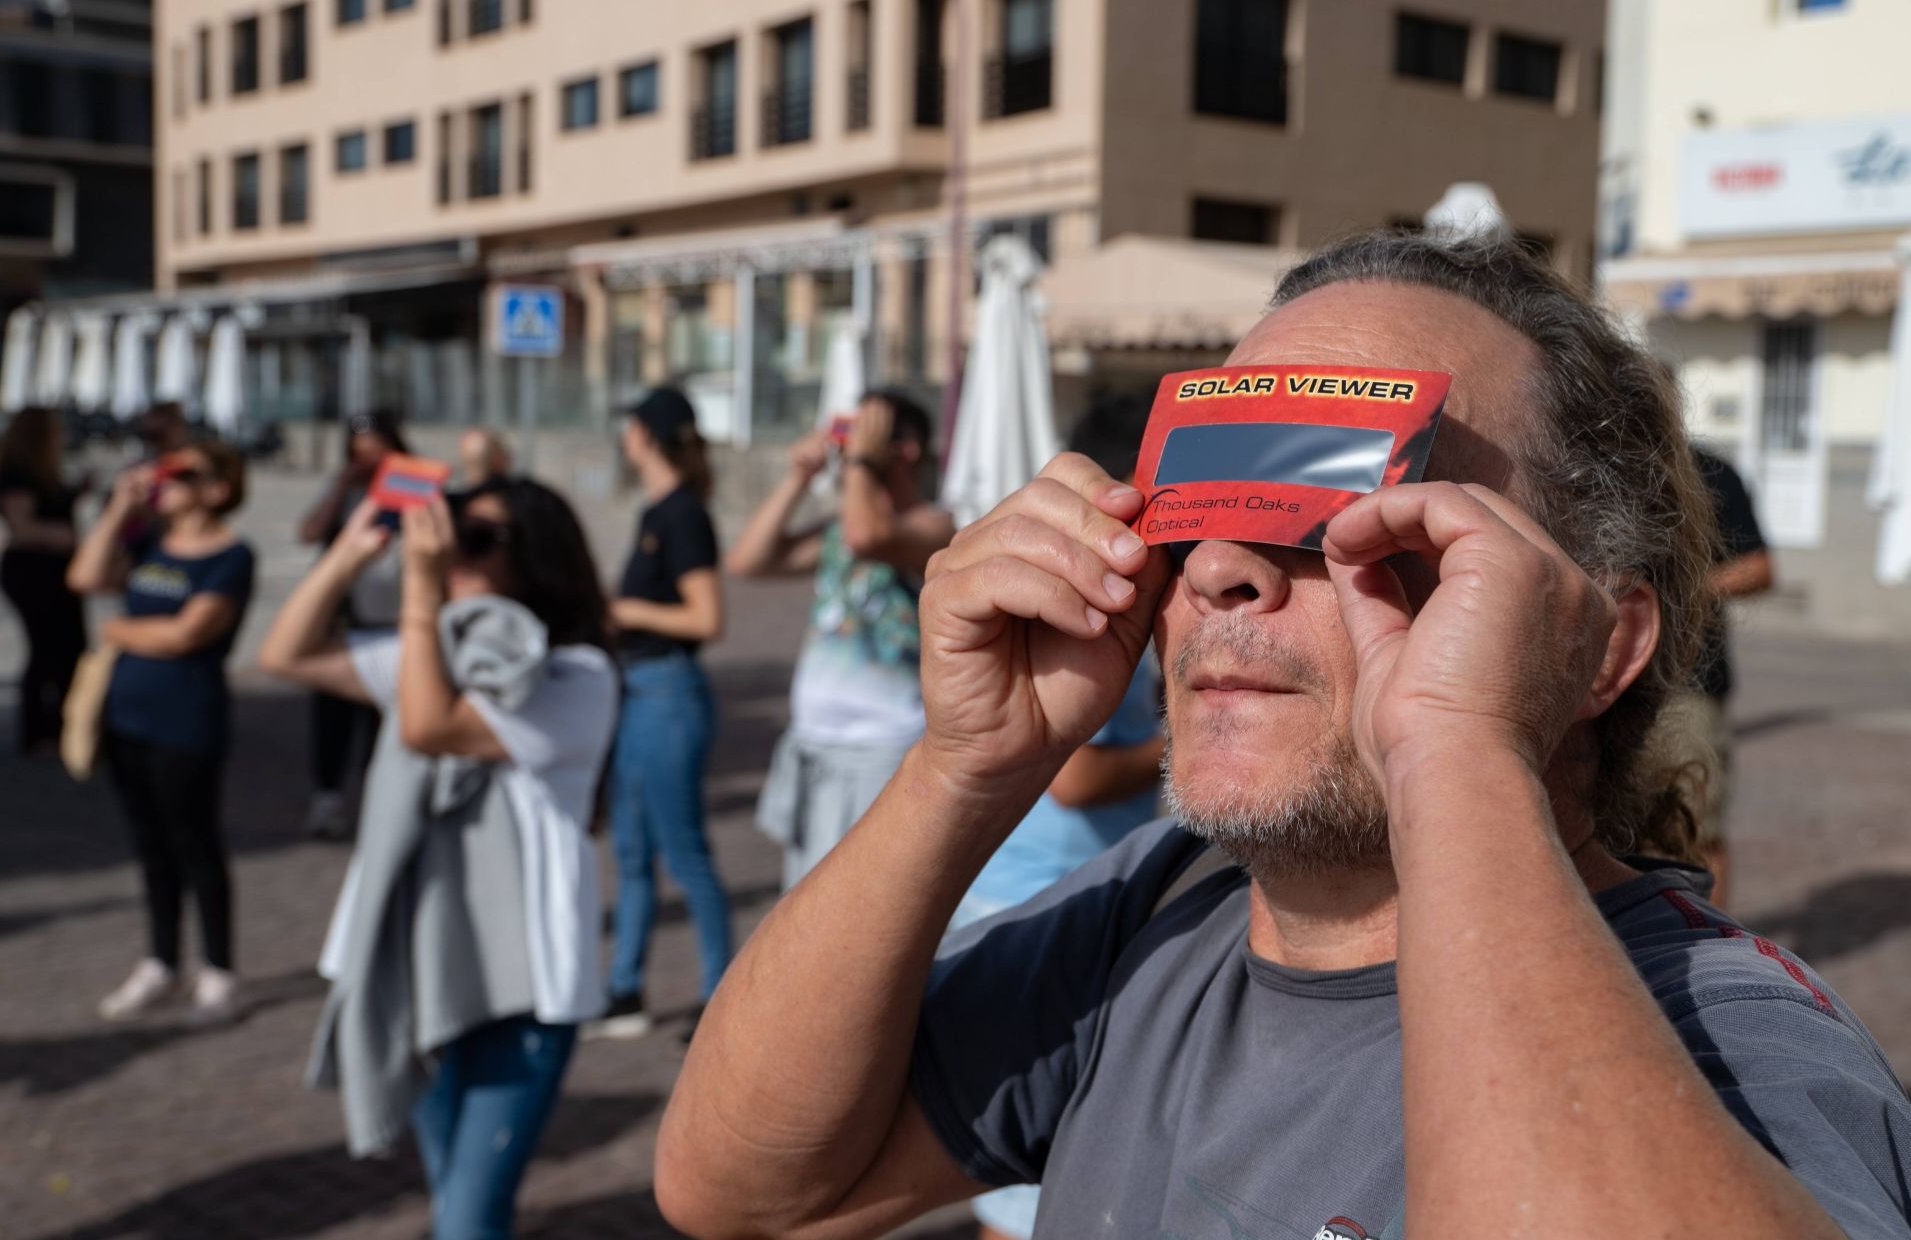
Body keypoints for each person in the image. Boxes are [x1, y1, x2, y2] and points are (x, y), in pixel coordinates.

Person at [656, 232, 1911, 1240]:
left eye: (1356, 512)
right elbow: (746, 1191)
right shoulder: (1160, 912)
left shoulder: (1736, 1046)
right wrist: (962, 770)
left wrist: (1457, 750)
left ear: (1600, 643)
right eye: (1201, 500)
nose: (1217, 570)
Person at [257, 476, 618, 1240]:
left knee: (468, 1217)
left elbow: (428, 725)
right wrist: (351, 554)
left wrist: (420, 591)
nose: (453, 551)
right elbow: (284, 653)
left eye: (478, 540)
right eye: (451, 532)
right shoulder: (437, 652)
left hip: (527, 981)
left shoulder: (577, 675)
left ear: (537, 560)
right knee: (451, 1192)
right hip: (423, 955)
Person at [946, 395, 1164, 1240]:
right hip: (1034, 908)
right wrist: (1192, 745)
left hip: (1040, 897)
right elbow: (1073, 782)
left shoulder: (1083, 577)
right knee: (1025, 1184)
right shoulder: (1092, 591)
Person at [726, 389, 957, 889]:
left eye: (864, 434)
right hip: (815, 748)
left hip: (883, 753)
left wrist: (858, 462)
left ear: (907, 448)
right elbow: (748, 560)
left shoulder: (937, 525)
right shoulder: (840, 527)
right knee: (808, 904)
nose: (846, 449)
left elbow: (869, 537)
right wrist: (798, 478)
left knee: (865, 901)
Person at [67, 443, 256, 1025]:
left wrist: (123, 627)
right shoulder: (147, 541)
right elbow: (86, 576)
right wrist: (121, 508)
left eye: (186, 474)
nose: (169, 483)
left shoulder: (231, 555)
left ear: (218, 489)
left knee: (196, 843)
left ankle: (220, 972)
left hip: (186, 719)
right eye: (166, 475)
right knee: (150, 845)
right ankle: (160, 961)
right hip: (125, 715)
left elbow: (188, 635)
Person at [594, 387, 732, 1040]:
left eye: (630, 427)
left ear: (646, 435)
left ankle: (718, 994)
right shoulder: (656, 509)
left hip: (669, 696)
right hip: (637, 692)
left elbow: (706, 619)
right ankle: (624, 990)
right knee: (630, 850)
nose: (624, 439)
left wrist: (625, 612)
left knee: (686, 855)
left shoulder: (682, 515)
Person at [1660, 445, 1773, 908]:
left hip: (1687, 688)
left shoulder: (1708, 470)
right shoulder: (1586, 455)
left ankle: (1712, 953)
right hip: (1596, 684)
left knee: (1696, 835)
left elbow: (1760, 568)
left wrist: (1684, 589)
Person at [294, 411, 411, 839]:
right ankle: (328, 798)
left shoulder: (409, 487)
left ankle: (380, 803)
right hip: (342, 624)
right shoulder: (344, 494)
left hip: (392, 621)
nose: (366, 462)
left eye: (375, 453)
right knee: (332, 719)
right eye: (358, 455)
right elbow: (308, 532)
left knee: (385, 722)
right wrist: (342, 486)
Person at [0, 406, 89, 755]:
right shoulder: (18, 472)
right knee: (47, 649)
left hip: (55, 569)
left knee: (68, 647)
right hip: (32, 570)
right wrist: (62, 535)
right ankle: (41, 731)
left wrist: (76, 492)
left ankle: (64, 726)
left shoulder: (42, 470)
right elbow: (22, 527)